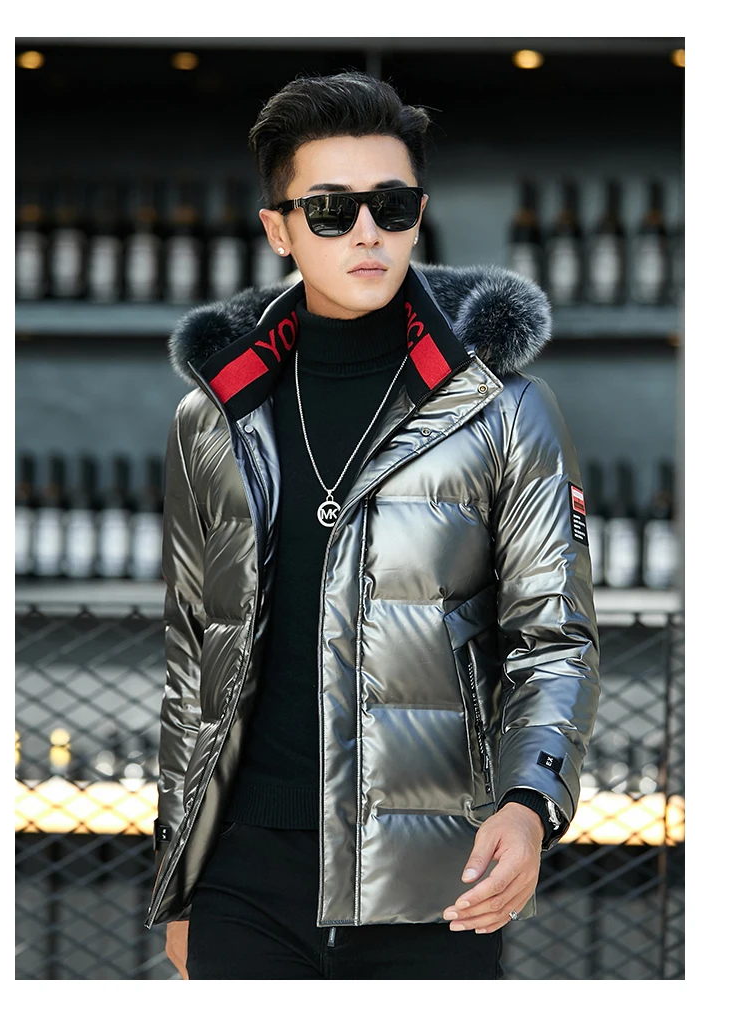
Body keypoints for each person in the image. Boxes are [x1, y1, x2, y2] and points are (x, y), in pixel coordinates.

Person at [144, 71, 600, 980]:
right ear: (278, 228)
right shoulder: (214, 419)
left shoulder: (504, 410)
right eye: (330, 210)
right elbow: (193, 659)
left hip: (434, 876)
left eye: (391, 206)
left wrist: (528, 802)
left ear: (417, 217)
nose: (366, 232)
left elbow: (554, 639)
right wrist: (180, 883)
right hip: (241, 874)